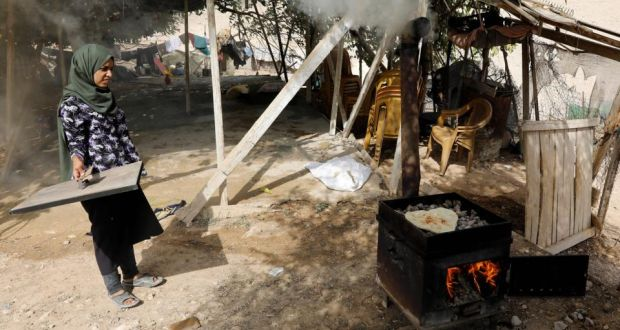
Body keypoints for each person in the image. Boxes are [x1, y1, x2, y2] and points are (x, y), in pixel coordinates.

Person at [57, 44, 165, 309]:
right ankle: (113, 285)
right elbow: (74, 142)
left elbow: (122, 135)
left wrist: (135, 166)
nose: (108, 75)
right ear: (85, 69)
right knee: (105, 229)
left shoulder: (105, 96)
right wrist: (78, 161)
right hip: (96, 179)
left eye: (111, 69)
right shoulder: (72, 104)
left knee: (124, 223)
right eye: (102, 69)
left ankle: (131, 274)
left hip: (122, 174)